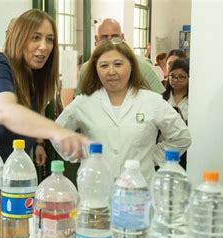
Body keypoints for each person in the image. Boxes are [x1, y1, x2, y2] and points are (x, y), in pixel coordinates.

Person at [0, 9, 88, 165]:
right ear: (18, 38)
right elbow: (4, 110)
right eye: (35, 38)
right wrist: (57, 131)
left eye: (50, 39)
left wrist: (39, 142)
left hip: (10, 171)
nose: (44, 47)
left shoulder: (33, 76)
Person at [54, 39, 191, 181]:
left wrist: (153, 156)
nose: (111, 71)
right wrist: (82, 154)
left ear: (131, 65)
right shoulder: (84, 102)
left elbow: (182, 137)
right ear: (96, 68)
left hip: (139, 192)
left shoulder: (152, 101)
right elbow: (56, 133)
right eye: (104, 65)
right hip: (96, 190)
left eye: (118, 64)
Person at [76, 18, 165, 95]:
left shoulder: (142, 66)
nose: (110, 42)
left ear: (122, 37)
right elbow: (79, 105)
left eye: (115, 37)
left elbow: (160, 102)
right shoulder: (87, 69)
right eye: (104, 38)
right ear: (96, 39)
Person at [163, 58, 190, 123]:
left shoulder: (193, 100)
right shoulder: (162, 98)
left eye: (181, 77)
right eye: (172, 76)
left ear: (189, 77)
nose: (175, 80)